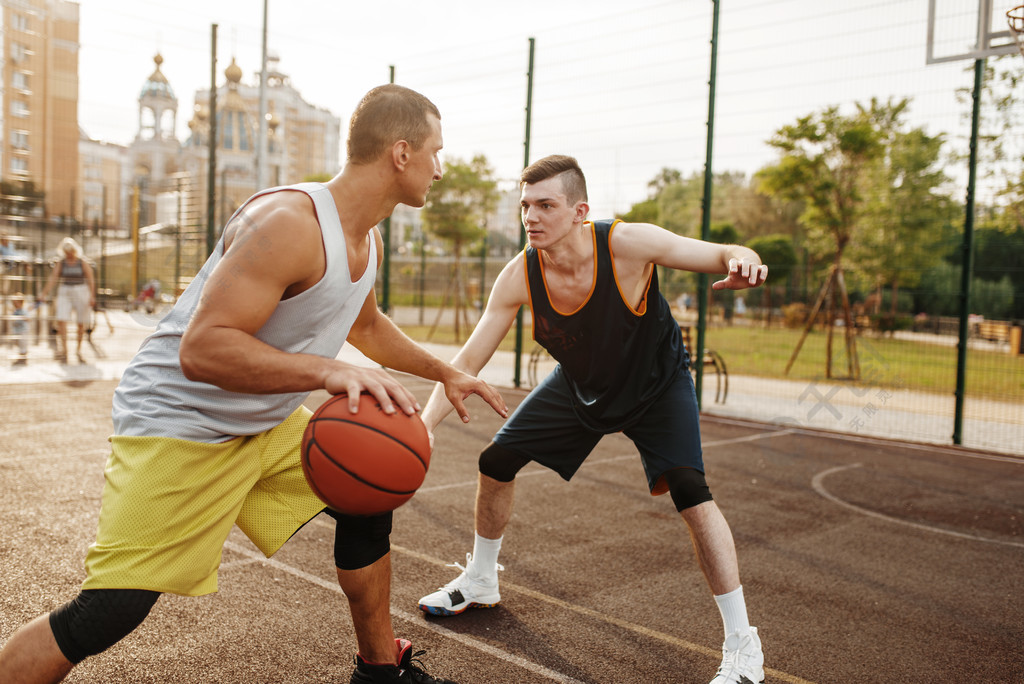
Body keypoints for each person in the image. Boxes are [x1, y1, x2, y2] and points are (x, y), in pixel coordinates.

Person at [0, 84, 508, 684]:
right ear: (401, 153)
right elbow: (204, 346)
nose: (441, 168)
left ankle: (378, 672)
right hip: (181, 423)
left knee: (369, 498)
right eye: (435, 151)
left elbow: (364, 324)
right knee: (109, 611)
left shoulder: (364, 237)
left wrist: (445, 371)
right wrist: (326, 369)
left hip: (261, 419)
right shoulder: (290, 222)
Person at [415, 155, 769, 684]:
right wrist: (422, 427)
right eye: (525, 206)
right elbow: (466, 363)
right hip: (582, 386)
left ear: (580, 211)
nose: (531, 217)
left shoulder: (626, 244)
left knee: (691, 491)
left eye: (546, 206)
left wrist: (742, 257)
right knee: (497, 459)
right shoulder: (520, 275)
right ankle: (482, 577)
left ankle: (744, 647)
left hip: (657, 384)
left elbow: (717, 252)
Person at [38, 237, 95, 364]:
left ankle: (78, 349)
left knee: (81, 322)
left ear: (75, 250)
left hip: (81, 291)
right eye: (66, 252)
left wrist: (92, 296)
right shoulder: (61, 262)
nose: (69, 254)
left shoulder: (82, 262)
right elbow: (53, 279)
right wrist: (43, 294)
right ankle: (65, 350)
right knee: (61, 319)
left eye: (70, 251)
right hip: (65, 290)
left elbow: (90, 279)